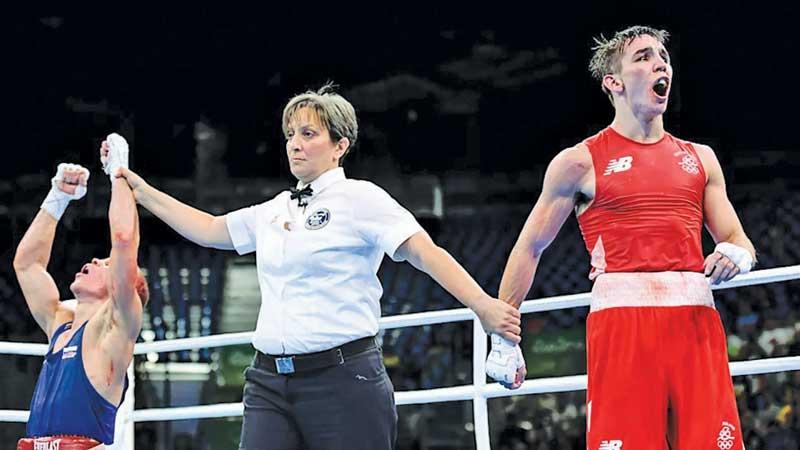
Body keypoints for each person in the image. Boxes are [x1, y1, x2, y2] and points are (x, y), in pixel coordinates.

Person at [112, 83, 522, 450]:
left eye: (309, 134)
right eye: (291, 135)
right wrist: (143, 192)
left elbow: (424, 252)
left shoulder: (362, 198)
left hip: (343, 380)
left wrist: (483, 306)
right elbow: (210, 229)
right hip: (268, 382)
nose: (295, 144)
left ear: (340, 145)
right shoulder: (275, 208)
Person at [495, 26, 756, 449]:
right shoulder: (579, 162)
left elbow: (736, 238)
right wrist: (505, 336)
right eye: (643, 57)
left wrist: (737, 255)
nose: (660, 63)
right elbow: (530, 246)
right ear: (613, 83)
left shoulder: (700, 158)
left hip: (696, 323)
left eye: (663, 57)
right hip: (623, 326)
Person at [13, 134, 148, 450]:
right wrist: (57, 198)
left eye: (104, 263)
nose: (93, 261)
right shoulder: (58, 322)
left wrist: (119, 174)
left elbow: (124, 240)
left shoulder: (114, 332)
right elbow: (27, 265)